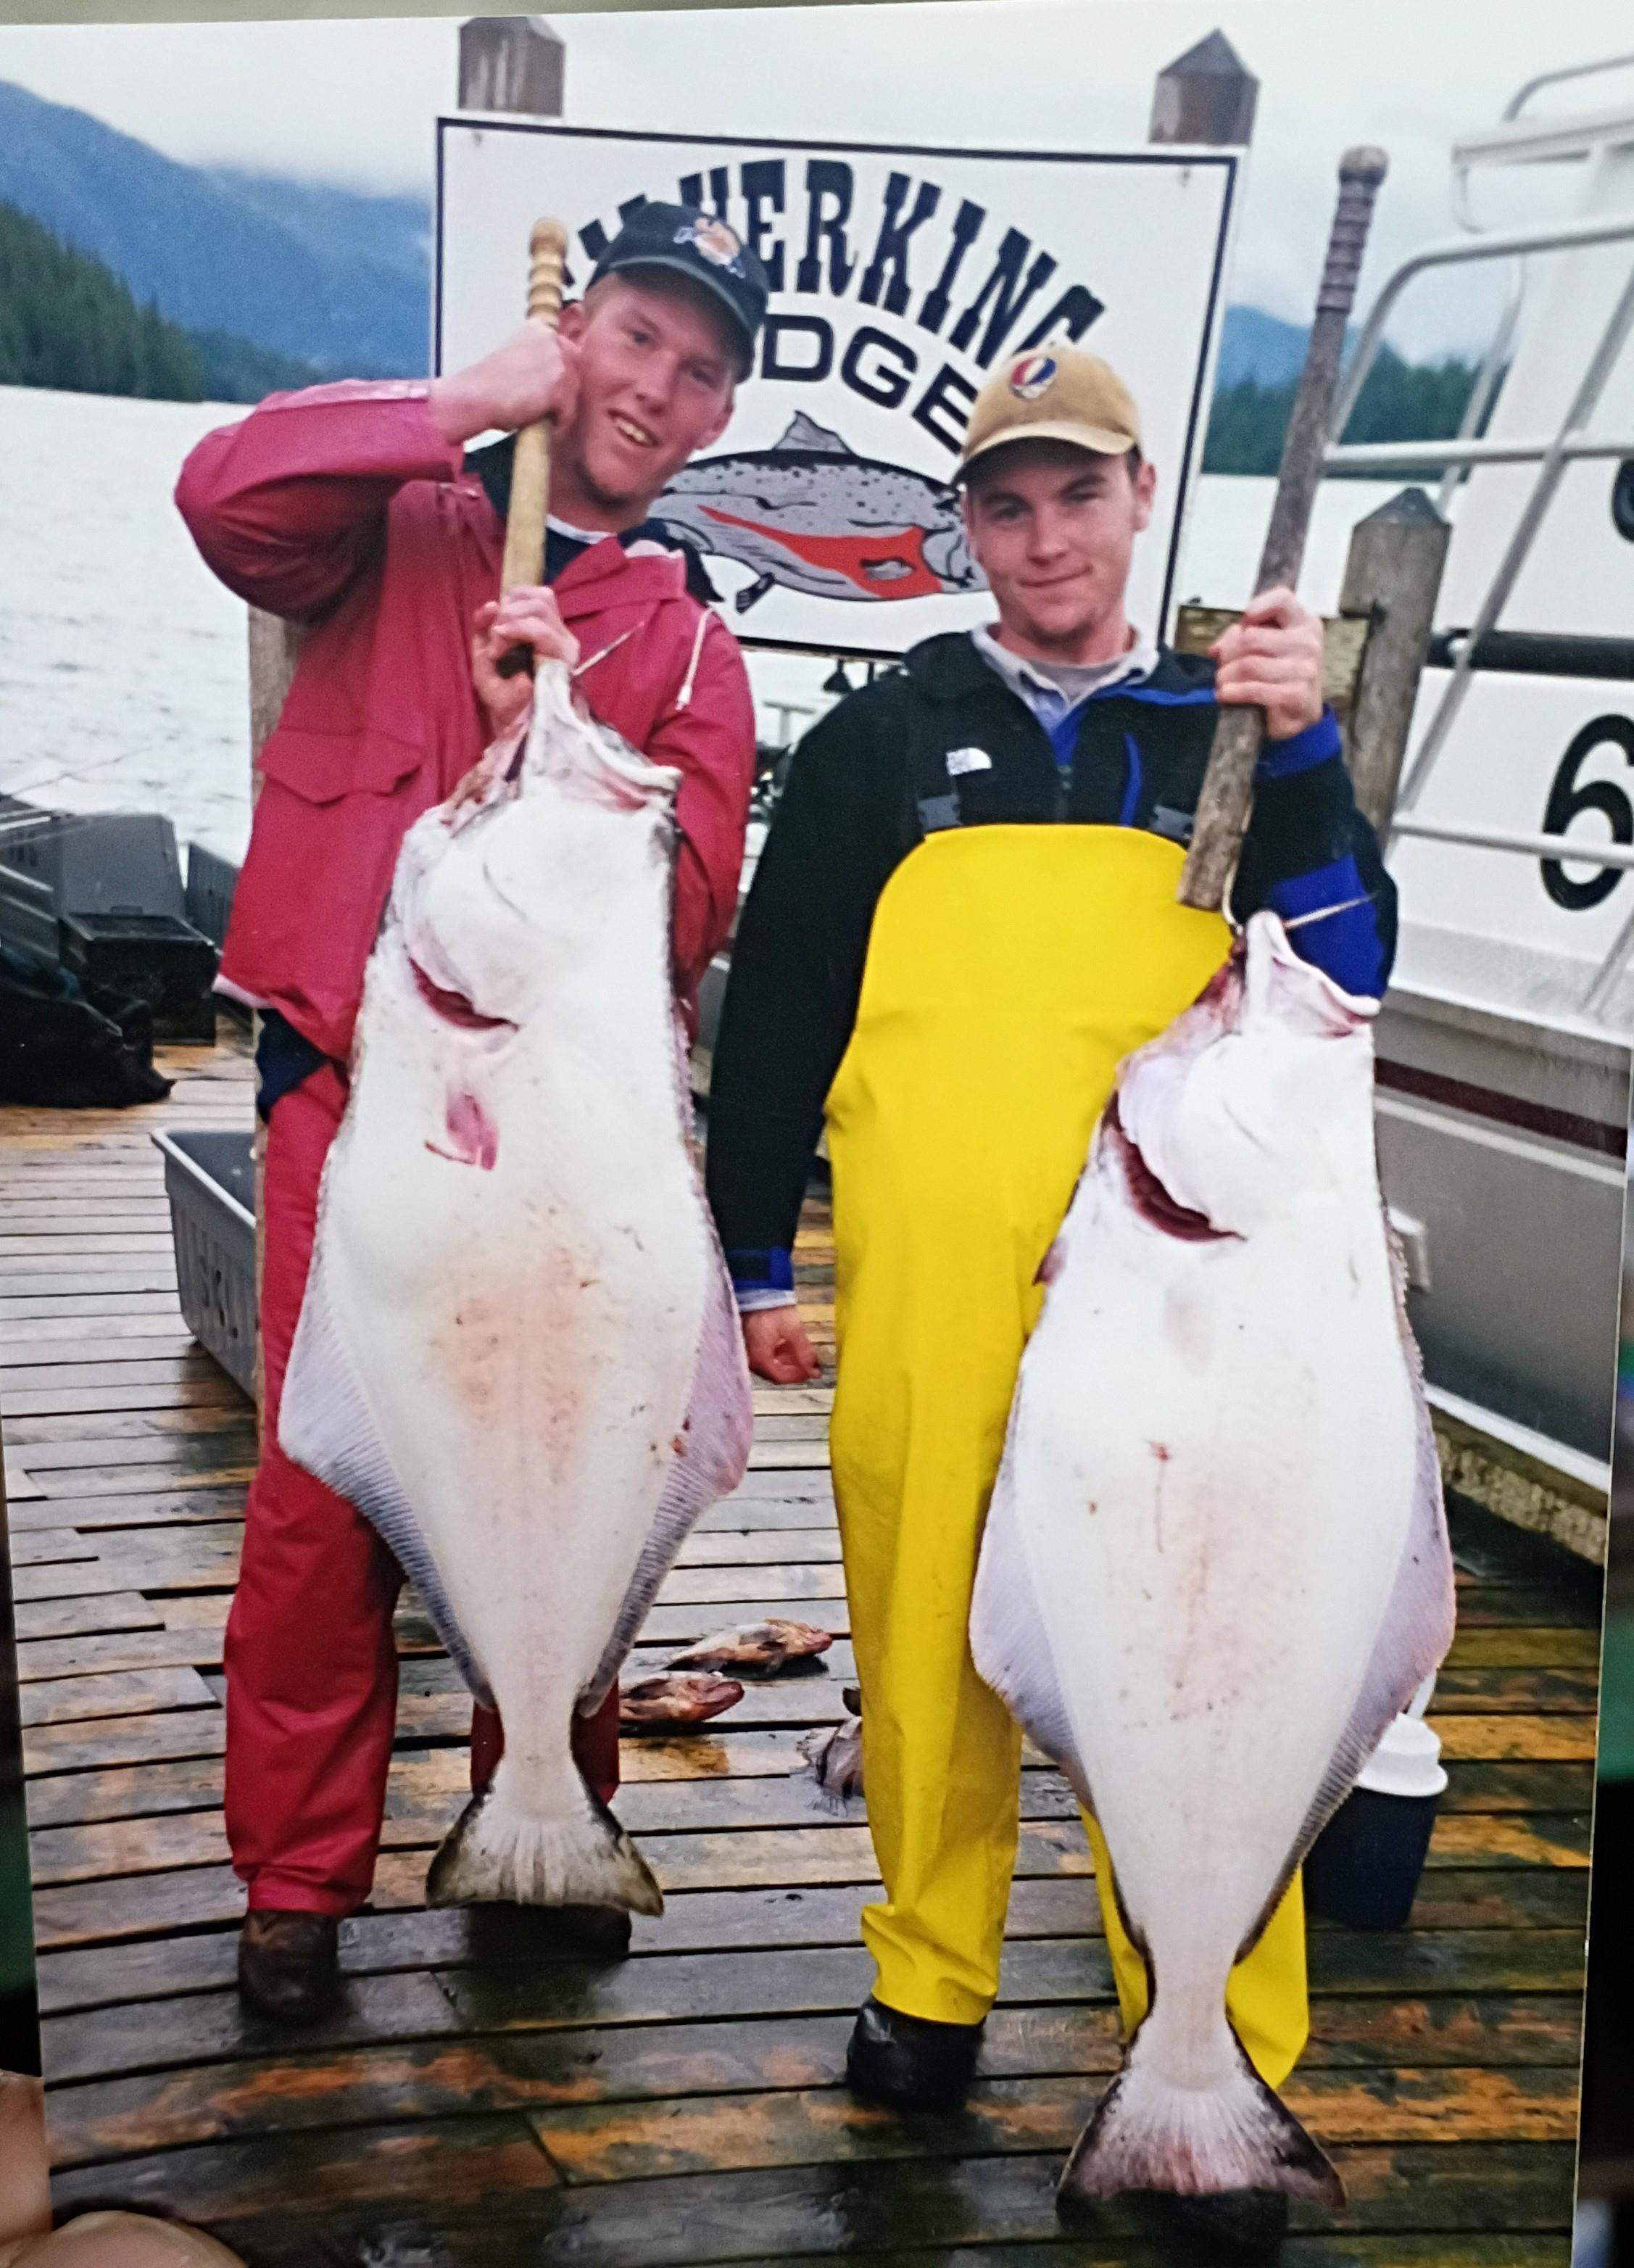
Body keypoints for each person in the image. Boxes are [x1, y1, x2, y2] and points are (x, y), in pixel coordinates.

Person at [705, 346, 1394, 2258]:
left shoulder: (1229, 732)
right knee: (919, 1635)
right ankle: (926, 1977)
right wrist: (751, 1253)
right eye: (1002, 505)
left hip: (1176, 1305)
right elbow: (775, 1017)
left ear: (1136, 496)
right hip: (925, 1280)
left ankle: (1212, 2038)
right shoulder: (873, 740)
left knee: (1190, 1653)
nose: (1041, 539)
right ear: (964, 528)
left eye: (1072, 497)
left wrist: (1313, 753)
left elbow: (1355, 975)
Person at [176, 203, 768, 2026]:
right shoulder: (400, 512)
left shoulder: (685, 643)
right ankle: (296, 1874)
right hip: (355, 1106)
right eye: (633, 341)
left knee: (577, 1473)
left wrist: (569, 739)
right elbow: (226, 504)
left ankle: (551, 1809)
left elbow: (695, 907)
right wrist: (449, 405)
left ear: (718, 414)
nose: (654, 388)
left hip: (571, 1140)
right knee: (314, 1502)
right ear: (570, 336)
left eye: (698, 370)